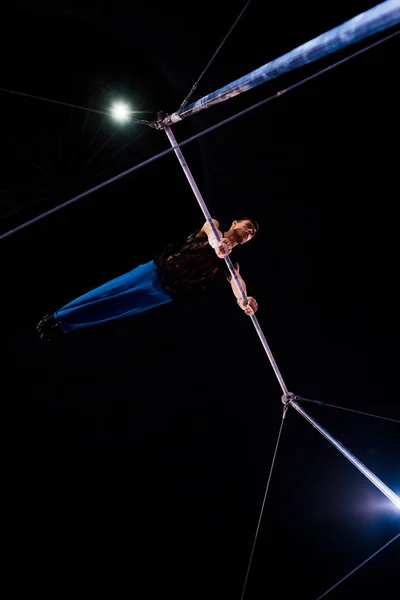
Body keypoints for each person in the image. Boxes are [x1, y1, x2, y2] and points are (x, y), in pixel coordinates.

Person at [36, 217, 259, 341]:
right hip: (153, 272)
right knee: (107, 292)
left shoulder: (229, 266)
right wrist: (216, 244)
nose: (248, 231)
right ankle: (58, 315)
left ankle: (64, 326)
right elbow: (211, 231)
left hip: (163, 294)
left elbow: (238, 284)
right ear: (235, 223)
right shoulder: (215, 227)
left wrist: (244, 300)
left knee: (117, 310)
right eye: (247, 226)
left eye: (252, 234)